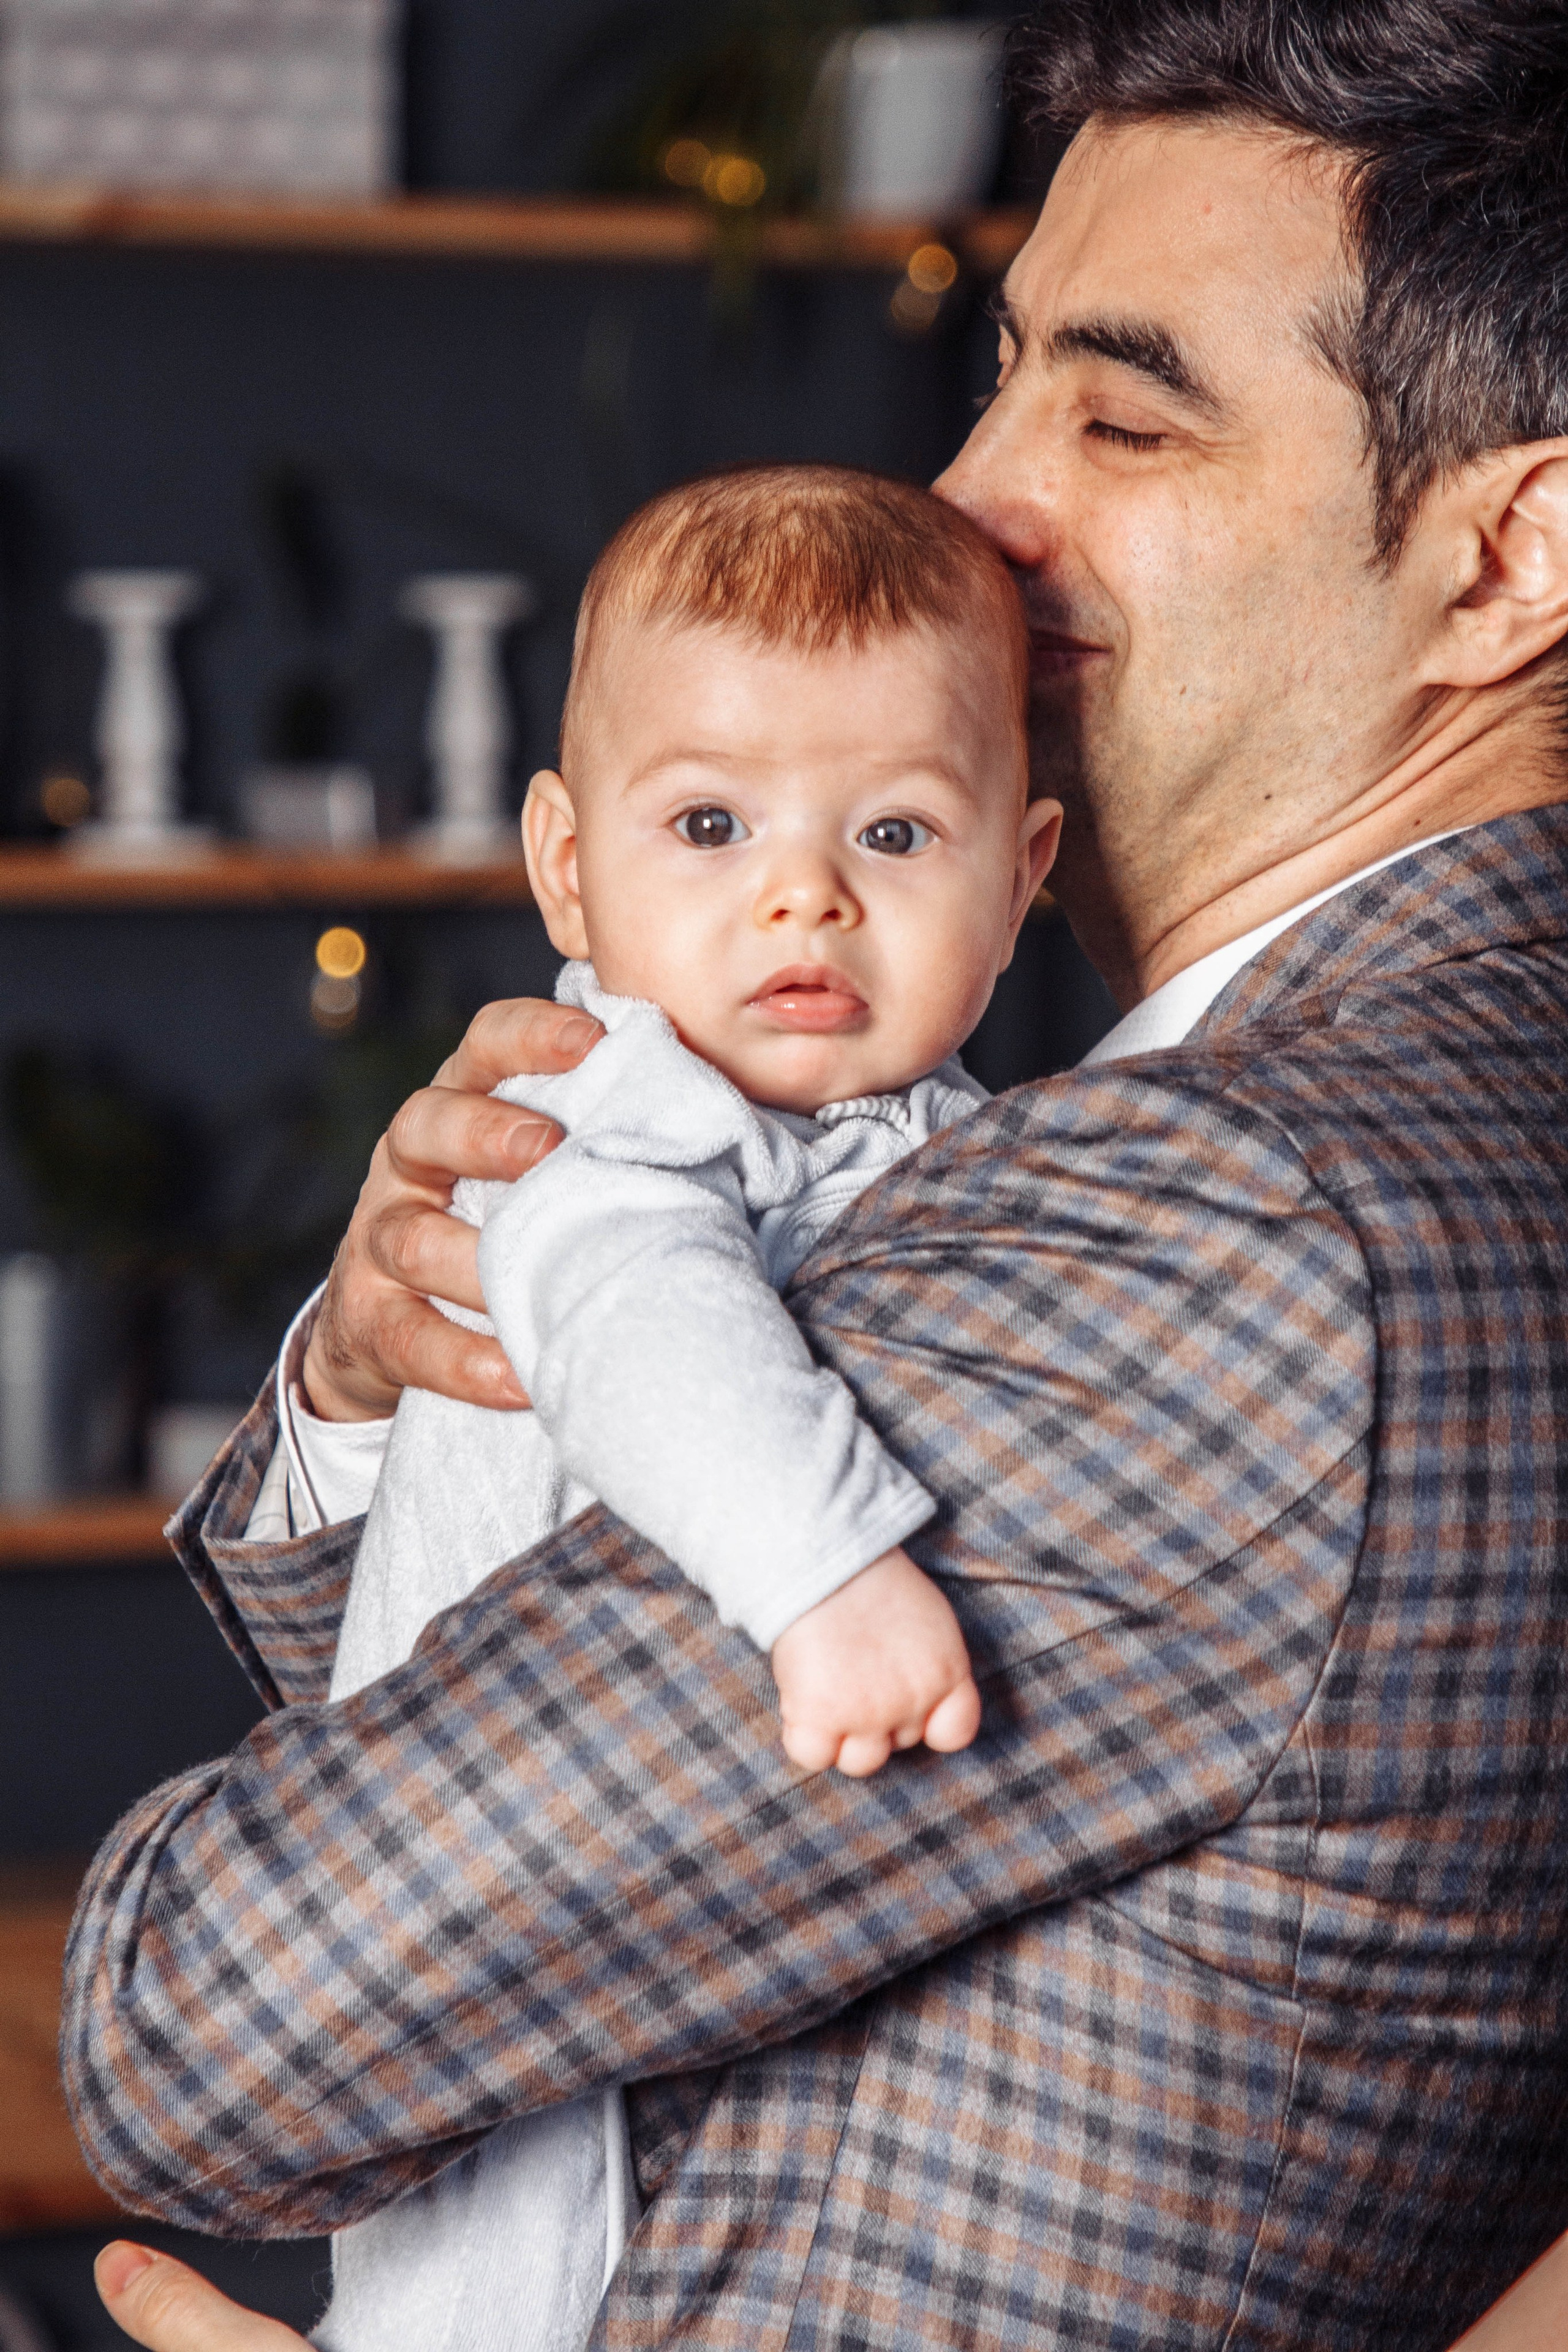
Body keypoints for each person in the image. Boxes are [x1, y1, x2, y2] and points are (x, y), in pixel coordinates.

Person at [60, 2, 1568, 2345]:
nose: (970, 500)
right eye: (1002, 374)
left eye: (1124, 412)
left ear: (1515, 553)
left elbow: (208, 2036)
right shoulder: (1459, 1103)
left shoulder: (1234, 1230)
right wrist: (404, 1378)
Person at [316, 463, 1055, 2352]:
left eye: (895, 834)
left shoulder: (980, 1148)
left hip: (686, 1903)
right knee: (481, 2258)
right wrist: (827, 1577)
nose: (803, 891)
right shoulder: (608, 1104)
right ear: (569, 869)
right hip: (465, 1877)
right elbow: (637, 1312)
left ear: (1026, 871)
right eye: (711, 823)